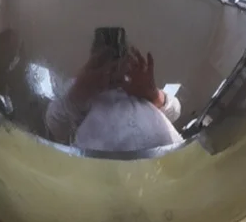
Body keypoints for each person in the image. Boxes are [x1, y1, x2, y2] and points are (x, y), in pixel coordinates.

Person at [45, 43, 182, 152]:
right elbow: (56, 125)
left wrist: (153, 95)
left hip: (168, 159)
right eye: (104, 57)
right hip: (100, 169)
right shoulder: (80, 84)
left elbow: (175, 112)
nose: (113, 61)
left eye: (119, 55)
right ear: (94, 58)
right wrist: (79, 92)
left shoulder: (139, 82)